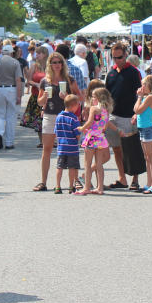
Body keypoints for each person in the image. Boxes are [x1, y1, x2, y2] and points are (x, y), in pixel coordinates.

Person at [33, 51, 80, 192]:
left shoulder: (69, 79)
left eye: (59, 62)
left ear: (62, 63)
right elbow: (40, 102)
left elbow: (79, 97)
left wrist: (68, 96)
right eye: (54, 62)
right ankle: (43, 182)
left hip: (67, 117)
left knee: (69, 150)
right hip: (50, 116)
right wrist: (45, 97)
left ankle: (75, 181)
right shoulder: (45, 81)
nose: (57, 65)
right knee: (46, 149)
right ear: (50, 64)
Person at [104, 40, 142, 189]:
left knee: (131, 148)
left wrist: (136, 113)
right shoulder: (111, 73)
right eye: (114, 57)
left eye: (120, 57)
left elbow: (140, 93)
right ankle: (122, 178)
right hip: (113, 115)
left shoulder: (133, 72)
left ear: (125, 56)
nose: (117, 60)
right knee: (117, 149)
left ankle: (135, 179)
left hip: (128, 116)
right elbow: (106, 94)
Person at [76, 87, 112, 195]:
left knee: (87, 164)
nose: (92, 99)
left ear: (98, 98)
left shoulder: (94, 109)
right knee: (99, 164)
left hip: (91, 138)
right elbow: (104, 127)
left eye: (93, 97)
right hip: (100, 138)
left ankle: (86, 187)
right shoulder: (106, 111)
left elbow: (90, 121)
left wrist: (82, 128)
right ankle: (100, 187)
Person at [0, 42, 23, 150]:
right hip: (11, 89)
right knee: (11, 116)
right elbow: (18, 80)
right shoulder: (15, 62)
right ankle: (9, 142)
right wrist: (19, 95)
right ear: (12, 53)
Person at [134, 75, 152, 193]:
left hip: (147, 129)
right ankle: (149, 183)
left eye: (144, 85)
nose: (142, 87)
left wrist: (139, 97)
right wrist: (139, 98)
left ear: (149, 86)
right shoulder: (146, 97)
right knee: (147, 157)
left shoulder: (150, 98)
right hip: (142, 128)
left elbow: (137, 110)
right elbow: (136, 110)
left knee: (151, 157)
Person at [53, 94, 83, 193]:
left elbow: (56, 132)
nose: (78, 107)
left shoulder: (59, 117)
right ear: (73, 105)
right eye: (77, 105)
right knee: (72, 168)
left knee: (59, 167)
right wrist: (81, 138)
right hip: (72, 148)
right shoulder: (74, 119)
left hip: (61, 147)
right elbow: (77, 134)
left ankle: (58, 186)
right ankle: (71, 187)